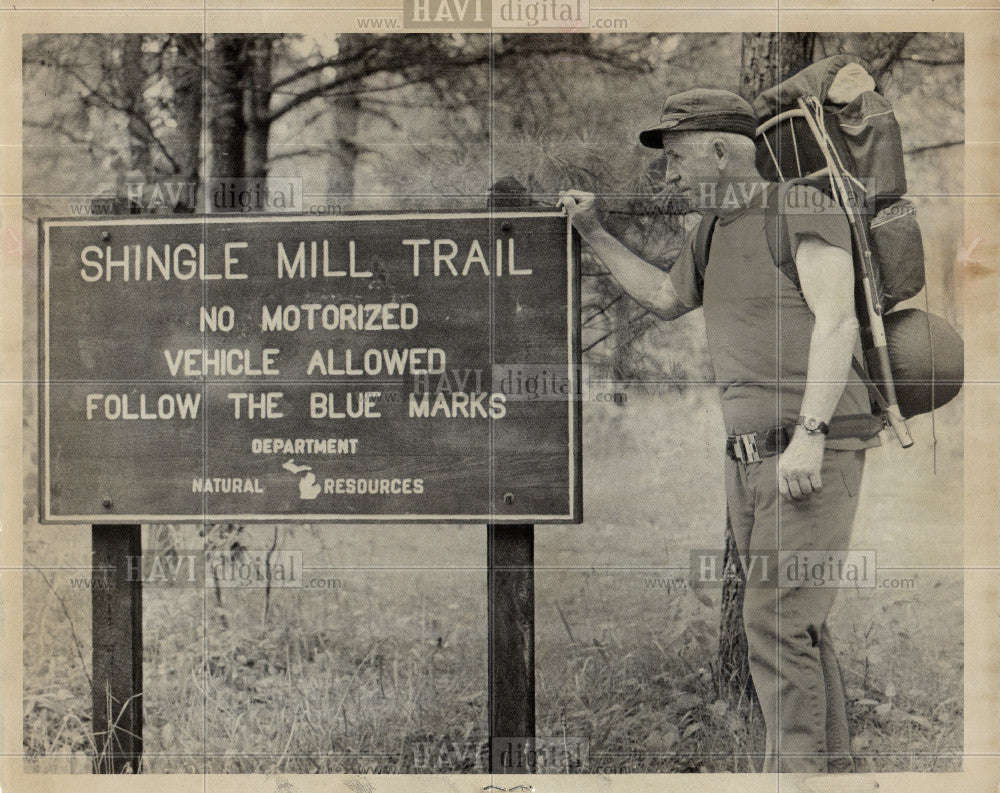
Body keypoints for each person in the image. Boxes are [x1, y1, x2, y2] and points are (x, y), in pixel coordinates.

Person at [558, 89, 880, 773]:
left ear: (719, 149)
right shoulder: (710, 230)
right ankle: (832, 768)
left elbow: (837, 319)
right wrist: (593, 232)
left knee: (776, 619)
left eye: (675, 158)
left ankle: (794, 778)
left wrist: (812, 433)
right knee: (794, 619)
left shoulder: (799, 209)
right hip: (748, 457)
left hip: (811, 445)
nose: (667, 175)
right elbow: (665, 298)